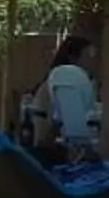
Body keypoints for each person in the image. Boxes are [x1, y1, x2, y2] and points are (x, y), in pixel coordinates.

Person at [42, 34, 102, 164]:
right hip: (75, 152)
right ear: (73, 57)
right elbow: (72, 121)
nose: (94, 61)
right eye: (89, 56)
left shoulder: (82, 81)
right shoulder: (68, 77)